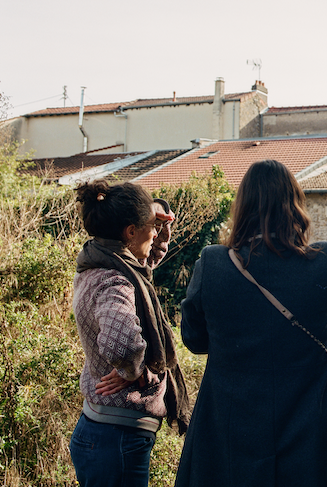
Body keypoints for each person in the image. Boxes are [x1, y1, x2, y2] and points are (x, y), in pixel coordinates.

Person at [175, 160, 327, 486]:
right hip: (314, 441)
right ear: (294, 205)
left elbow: (194, 339)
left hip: (231, 439)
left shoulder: (213, 265)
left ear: (242, 206)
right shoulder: (324, 263)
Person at [69, 179, 190, 487]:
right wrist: (131, 368)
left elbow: (144, 266)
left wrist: (155, 225)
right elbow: (122, 346)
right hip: (117, 439)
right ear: (130, 232)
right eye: (151, 227)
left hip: (103, 431)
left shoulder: (97, 264)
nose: (156, 233)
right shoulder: (116, 281)